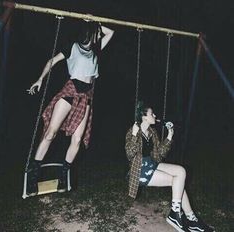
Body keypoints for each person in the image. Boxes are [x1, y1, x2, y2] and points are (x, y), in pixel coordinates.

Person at [26, 20, 114, 196]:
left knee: (77, 140)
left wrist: (94, 21)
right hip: (70, 90)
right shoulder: (72, 47)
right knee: (51, 132)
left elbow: (110, 32)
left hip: (87, 96)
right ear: (90, 33)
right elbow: (52, 61)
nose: (99, 35)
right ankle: (33, 178)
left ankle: (62, 178)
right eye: (96, 32)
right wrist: (40, 79)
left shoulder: (97, 50)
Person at [125, 101, 215, 232]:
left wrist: (169, 136)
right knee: (176, 181)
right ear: (144, 117)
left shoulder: (152, 132)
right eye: (152, 113)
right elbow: (129, 154)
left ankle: (190, 218)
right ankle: (177, 216)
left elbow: (159, 155)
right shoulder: (133, 131)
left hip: (152, 164)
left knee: (181, 172)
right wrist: (133, 135)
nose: (155, 115)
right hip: (140, 170)